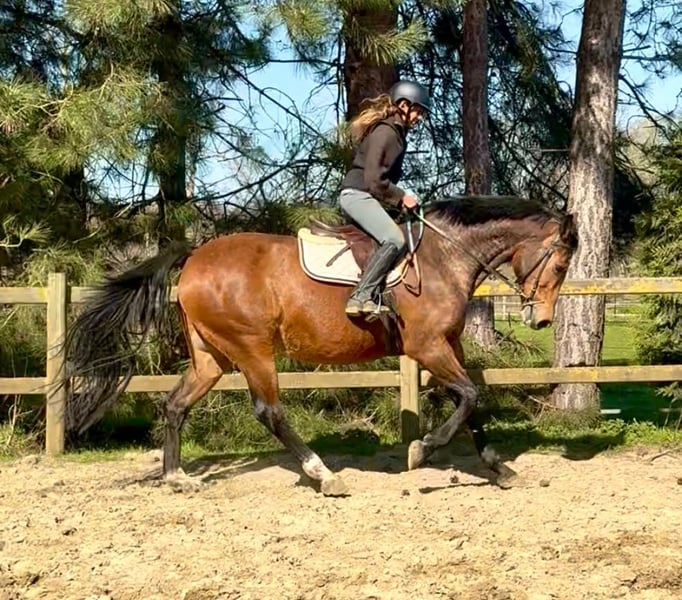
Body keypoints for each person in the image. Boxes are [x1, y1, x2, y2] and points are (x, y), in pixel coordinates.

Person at [339, 80, 430, 317]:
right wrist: (402, 197)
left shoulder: (395, 133)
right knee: (394, 239)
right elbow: (374, 180)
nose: (419, 118)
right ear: (403, 105)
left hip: (367, 196)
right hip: (357, 195)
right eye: (418, 111)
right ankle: (361, 296)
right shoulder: (387, 133)